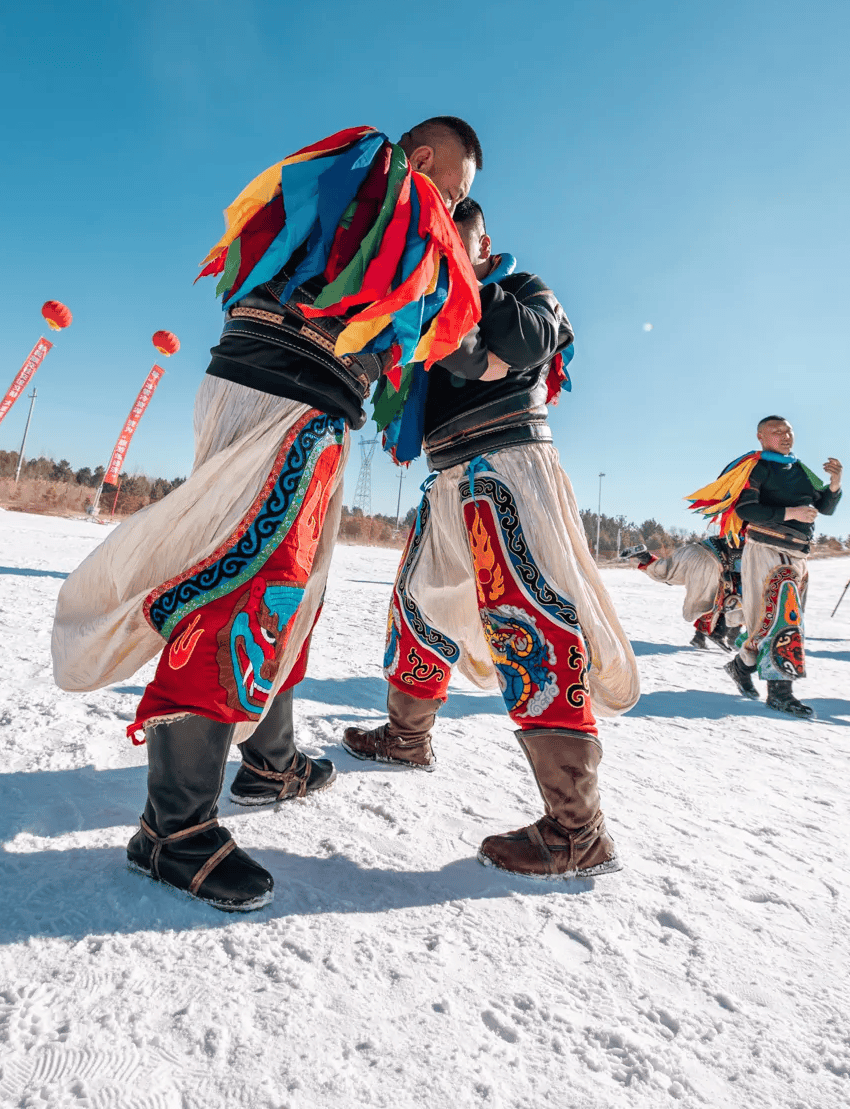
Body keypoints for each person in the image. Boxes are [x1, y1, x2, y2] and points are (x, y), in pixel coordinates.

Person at [50, 119, 484, 911]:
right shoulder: (380, 181)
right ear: (423, 161)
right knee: (247, 584)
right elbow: (446, 316)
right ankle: (172, 830)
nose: (455, 205)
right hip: (289, 389)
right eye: (455, 187)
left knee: (293, 590)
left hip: (292, 392)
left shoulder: (356, 194)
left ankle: (271, 759)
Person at [341, 198, 640, 880]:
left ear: (483, 242)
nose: (441, 248)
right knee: (416, 610)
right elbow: (432, 372)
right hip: (448, 478)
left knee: (530, 623)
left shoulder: (522, 289)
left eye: (455, 236)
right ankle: (407, 736)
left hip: (506, 468)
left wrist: (467, 285)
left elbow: (532, 343)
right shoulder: (427, 307)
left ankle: (577, 829)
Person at [688, 416, 842, 719]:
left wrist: (835, 483)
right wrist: (791, 511)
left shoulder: (799, 468)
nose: (785, 436)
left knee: (773, 619)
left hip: (799, 553)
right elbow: (746, 509)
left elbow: (825, 506)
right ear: (761, 437)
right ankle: (780, 693)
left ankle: (741, 665)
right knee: (784, 618)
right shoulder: (757, 467)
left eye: (788, 431)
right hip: (768, 549)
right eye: (777, 432)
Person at [627, 537, 743, 650]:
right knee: (716, 603)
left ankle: (644, 556)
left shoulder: (739, 531)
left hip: (693, 549)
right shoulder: (753, 552)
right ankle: (722, 636)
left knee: (668, 573)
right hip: (708, 563)